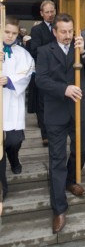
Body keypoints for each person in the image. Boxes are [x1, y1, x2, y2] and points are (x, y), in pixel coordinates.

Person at [35, 13, 85, 234]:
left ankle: (71, 179)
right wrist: (64, 89)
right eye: (63, 31)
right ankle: (59, 209)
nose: (67, 35)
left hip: (78, 110)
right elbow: (40, 80)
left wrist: (84, 50)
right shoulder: (44, 51)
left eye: (70, 31)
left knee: (82, 148)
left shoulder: (79, 47)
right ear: (54, 32)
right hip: (55, 112)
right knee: (57, 158)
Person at [0, 16, 34, 199]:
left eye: (14, 33)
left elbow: (27, 73)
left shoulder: (23, 54)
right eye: (7, 32)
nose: (10, 36)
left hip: (12, 102)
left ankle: (13, 157)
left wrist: (10, 80)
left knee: (13, 141)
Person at [31, 0, 56, 146]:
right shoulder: (37, 30)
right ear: (41, 14)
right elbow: (35, 49)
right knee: (43, 105)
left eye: (52, 11)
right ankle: (45, 135)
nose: (50, 14)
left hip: (59, 71)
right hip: (44, 72)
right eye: (47, 12)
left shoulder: (60, 26)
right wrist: (53, 49)